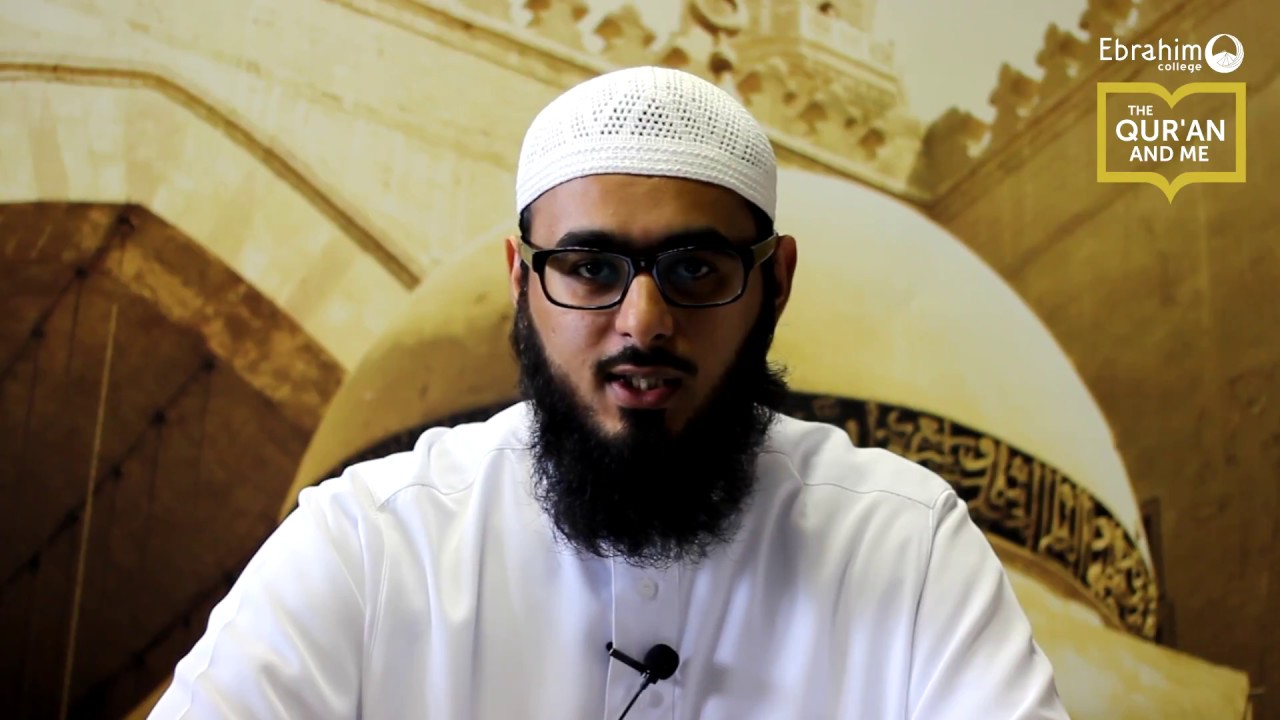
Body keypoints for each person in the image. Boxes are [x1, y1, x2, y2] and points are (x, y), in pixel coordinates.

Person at [150, 66, 1070, 719]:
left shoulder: (904, 545)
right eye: (590, 268)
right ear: (521, 281)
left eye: (694, 268)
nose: (644, 321)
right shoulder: (371, 544)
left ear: (774, 283)